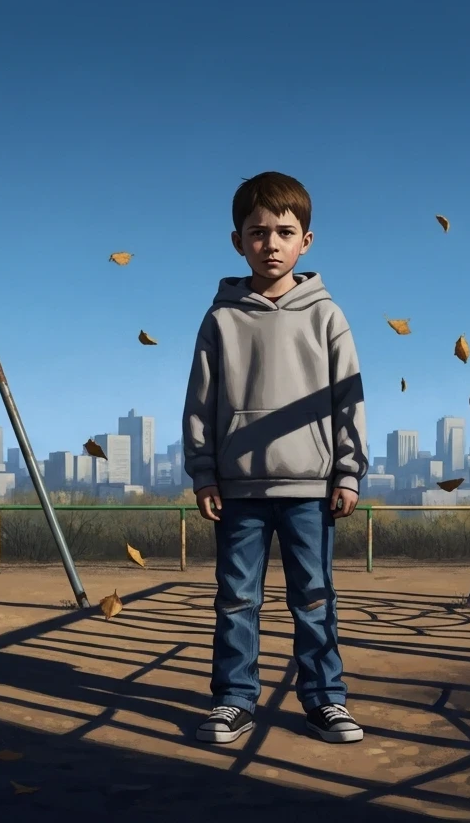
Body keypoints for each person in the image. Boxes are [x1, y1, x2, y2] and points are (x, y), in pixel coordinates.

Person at [182, 170, 369, 745]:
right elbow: (201, 400)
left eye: (284, 233)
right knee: (237, 600)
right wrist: (204, 473)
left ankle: (325, 700)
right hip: (238, 489)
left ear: (305, 241)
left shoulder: (327, 315)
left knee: (314, 598)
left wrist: (348, 472)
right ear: (237, 240)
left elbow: (349, 398)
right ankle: (234, 700)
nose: (271, 244)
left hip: (311, 488)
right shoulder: (221, 318)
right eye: (258, 232)